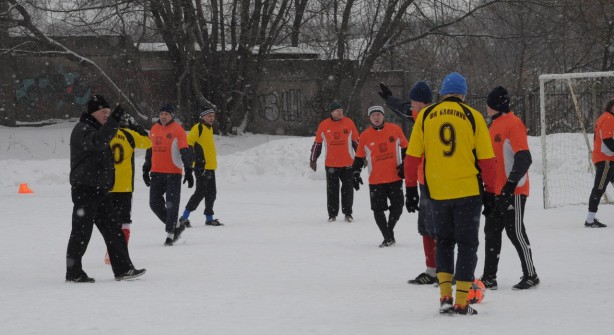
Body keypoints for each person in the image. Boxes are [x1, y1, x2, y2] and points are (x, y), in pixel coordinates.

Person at [404, 72, 496, 315]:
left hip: (437, 192)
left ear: (442, 93)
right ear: (463, 94)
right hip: (467, 191)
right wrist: (491, 192)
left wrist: (411, 189)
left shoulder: (425, 115)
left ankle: (445, 296)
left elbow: (411, 158)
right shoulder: (473, 116)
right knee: (467, 245)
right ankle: (462, 301)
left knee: (443, 243)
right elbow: (487, 161)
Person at [66, 95, 146, 282]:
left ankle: (123, 269)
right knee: (81, 232)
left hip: (100, 191)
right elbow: (98, 142)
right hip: (85, 190)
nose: (106, 116)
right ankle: (73, 272)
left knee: (113, 230)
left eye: (109, 113)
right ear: (93, 112)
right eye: (104, 112)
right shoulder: (83, 129)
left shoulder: (97, 129)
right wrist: (114, 122)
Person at [480, 86, 540, 290]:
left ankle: (531, 275)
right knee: (491, 232)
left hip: (513, 191)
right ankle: (489, 277)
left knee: (515, 232)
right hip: (496, 190)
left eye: (488, 104)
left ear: (495, 105)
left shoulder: (513, 124)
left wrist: (510, 186)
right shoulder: (493, 125)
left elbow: (524, 158)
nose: (486, 107)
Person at [379, 81, 438, 285]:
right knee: (426, 227)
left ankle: (442, 271)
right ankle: (433, 270)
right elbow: (404, 109)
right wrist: (389, 100)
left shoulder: (431, 117)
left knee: (435, 227)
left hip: (435, 180)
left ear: (422, 103)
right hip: (425, 180)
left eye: (414, 103)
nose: (411, 107)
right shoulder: (420, 114)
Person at [353, 105, 408, 247]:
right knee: (378, 210)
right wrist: (356, 172)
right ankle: (387, 237)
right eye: (373, 115)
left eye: (378, 114)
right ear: (369, 118)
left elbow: (406, 148)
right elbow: (359, 157)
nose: (376, 117)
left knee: (398, 207)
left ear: (383, 116)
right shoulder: (364, 136)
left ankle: (389, 231)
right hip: (376, 180)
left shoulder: (395, 129)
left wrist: (405, 164)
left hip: (395, 178)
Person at [143, 104, 194, 246]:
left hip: (173, 173)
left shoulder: (178, 130)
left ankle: (170, 233)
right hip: (156, 172)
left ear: (172, 115)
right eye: (161, 113)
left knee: (172, 205)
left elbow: (185, 150)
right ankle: (177, 225)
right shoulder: (154, 129)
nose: (163, 116)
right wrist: (145, 169)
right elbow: (150, 150)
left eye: (166, 114)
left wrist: (189, 170)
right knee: (154, 204)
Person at [104, 114, 152, 264]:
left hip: (108, 184)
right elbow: (148, 142)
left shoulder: (105, 135)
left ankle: (110, 251)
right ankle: (120, 252)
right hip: (125, 185)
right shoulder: (129, 135)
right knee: (125, 221)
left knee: (110, 221)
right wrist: (136, 127)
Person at [310, 101, 359, 222]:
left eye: (341, 110)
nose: (340, 112)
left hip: (348, 164)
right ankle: (332, 214)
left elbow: (356, 142)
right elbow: (318, 144)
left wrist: (362, 158)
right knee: (332, 191)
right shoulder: (324, 125)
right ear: (332, 112)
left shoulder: (349, 122)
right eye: (338, 110)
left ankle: (348, 213)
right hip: (331, 164)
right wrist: (313, 159)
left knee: (348, 190)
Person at [179, 108, 223, 227]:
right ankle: (183, 217)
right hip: (201, 167)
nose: (212, 118)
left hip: (210, 167)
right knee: (200, 192)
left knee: (211, 193)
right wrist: (195, 160)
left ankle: (209, 218)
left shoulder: (209, 129)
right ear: (202, 117)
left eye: (213, 116)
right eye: (209, 116)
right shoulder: (198, 127)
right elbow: (189, 142)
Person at [584, 98, 614, 228]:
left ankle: (591, 219)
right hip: (605, 159)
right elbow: (607, 139)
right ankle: (590, 220)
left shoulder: (606, 117)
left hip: (608, 159)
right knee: (599, 188)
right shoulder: (608, 118)